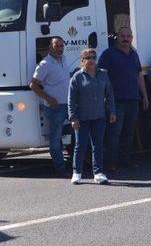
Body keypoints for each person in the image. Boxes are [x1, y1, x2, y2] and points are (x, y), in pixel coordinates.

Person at [99, 27, 149, 170]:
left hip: (133, 99)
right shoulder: (108, 54)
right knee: (114, 133)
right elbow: (103, 77)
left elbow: (139, 76)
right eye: (123, 36)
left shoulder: (134, 54)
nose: (125, 38)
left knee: (129, 132)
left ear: (132, 38)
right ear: (117, 37)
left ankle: (125, 160)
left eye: (128, 36)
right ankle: (111, 162)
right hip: (116, 100)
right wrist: (106, 98)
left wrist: (144, 96)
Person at [68, 48, 116, 185]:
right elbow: (71, 100)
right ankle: (77, 173)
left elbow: (109, 94)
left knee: (98, 146)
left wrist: (112, 111)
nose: (92, 60)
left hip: (99, 116)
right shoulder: (77, 77)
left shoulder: (103, 75)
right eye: (88, 57)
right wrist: (73, 118)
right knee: (80, 146)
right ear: (82, 61)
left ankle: (98, 173)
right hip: (82, 118)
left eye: (94, 57)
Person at [30, 37, 70, 176]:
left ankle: (73, 163)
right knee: (55, 138)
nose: (59, 48)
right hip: (55, 107)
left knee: (76, 131)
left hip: (68, 104)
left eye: (61, 45)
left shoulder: (63, 59)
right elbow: (33, 85)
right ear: (50, 48)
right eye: (56, 46)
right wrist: (48, 98)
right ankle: (60, 168)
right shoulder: (45, 64)